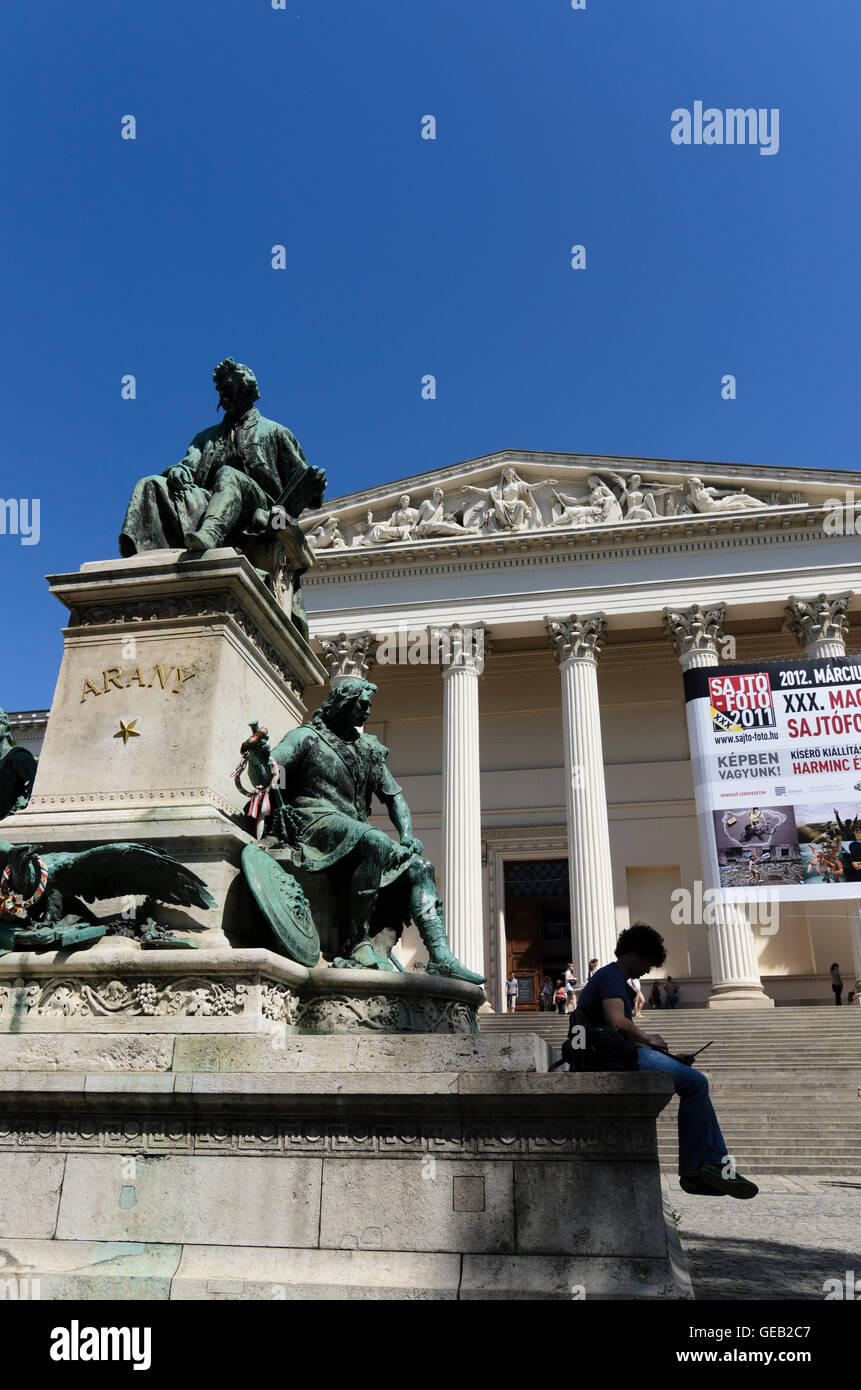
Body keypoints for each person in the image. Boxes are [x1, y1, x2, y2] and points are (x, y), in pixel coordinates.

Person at [572, 923, 758, 1199]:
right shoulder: (612, 976)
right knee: (695, 1083)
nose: (648, 970)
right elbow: (616, 1021)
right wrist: (649, 1039)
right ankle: (702, 1167)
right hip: (611, 1057)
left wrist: (669, 1057)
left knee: (693, 1081)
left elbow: (618, 1031)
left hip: (617, 1052)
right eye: (648, 962)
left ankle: (709, 1165)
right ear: (635, 953)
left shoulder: (611, 977)